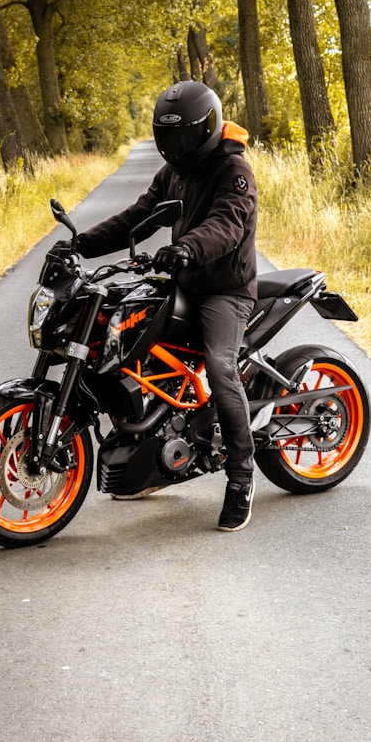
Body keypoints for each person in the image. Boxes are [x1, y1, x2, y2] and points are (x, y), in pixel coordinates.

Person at [73, 81, 258, 532]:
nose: (177, 148)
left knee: (219, 366)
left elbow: (227, 223)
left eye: (185, 138)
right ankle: (147, 454)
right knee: (123, 339)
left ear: (209, 128)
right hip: (183, 281)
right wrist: (81, 244)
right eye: (168, 138)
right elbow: (138, 216)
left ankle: (241, 479)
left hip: (224, 290)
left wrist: (188, 248)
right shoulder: (172, 173)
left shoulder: (234, 170)